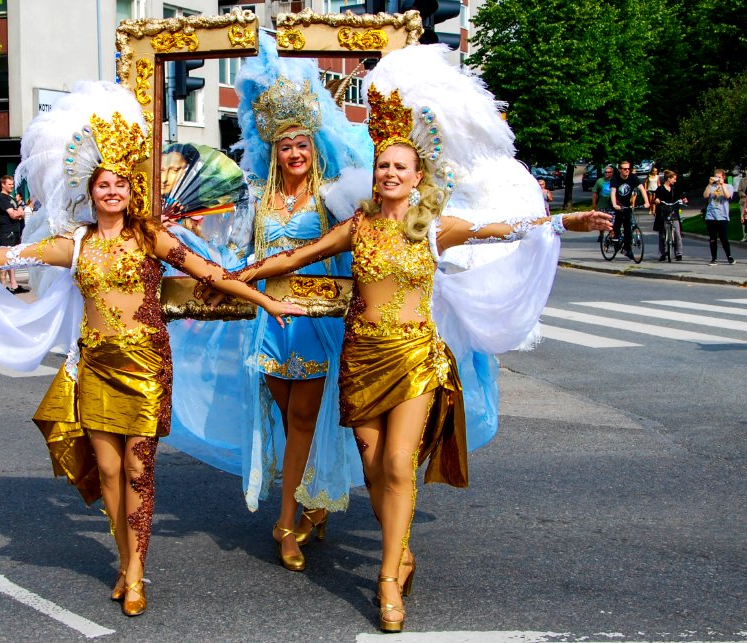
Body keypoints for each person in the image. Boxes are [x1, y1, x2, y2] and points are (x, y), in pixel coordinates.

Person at [228, 44, 612, 633]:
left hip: (412, 358)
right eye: (383, 165)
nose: (389, 174)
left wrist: (565, 221)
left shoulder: (432, 227)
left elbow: (497, 229)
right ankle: (399, 550)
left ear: (417, 177)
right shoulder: (358, 225)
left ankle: (386, 582)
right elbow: (301, 252)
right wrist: (242, 275)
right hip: (361, 357)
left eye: (400, 168)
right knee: (375, 465)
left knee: (401, 465)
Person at [0, 82, 304, 618]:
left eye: (121, 183)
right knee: (111, 472)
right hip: (96, 365)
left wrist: (265, 301)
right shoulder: (74, 243)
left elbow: (209, 272)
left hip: (146, 364)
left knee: (141, 471)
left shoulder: (151, 238)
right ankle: (125, 558)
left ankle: (137, 570)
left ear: (131, 191)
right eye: (104, 185)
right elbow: (11, 252)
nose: (113, 192)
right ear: (90, 192)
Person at [163, 33, 371, 573]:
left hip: (315, 321)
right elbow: (236, 254)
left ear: (313, 146)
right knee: (283, 420)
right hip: (267, 321)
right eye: (286, 145)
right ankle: (311, 502)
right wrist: (194, 253)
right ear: (273, 150)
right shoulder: (257, 197)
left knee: (303, 419)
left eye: (302, 143)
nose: (295, 153)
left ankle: (286, 523)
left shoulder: (333, 196)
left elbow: (357, 249)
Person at [0, 175, 28, 293]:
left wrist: (19, 213)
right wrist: (19, 213)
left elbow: (21, 213)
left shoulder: (11, 198)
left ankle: (14, 284)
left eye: (13, 184)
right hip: (7, 232)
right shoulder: (1, 198)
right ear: (3, 184)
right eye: (9, 184)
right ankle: (5, 286)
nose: (12, 186)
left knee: (13, 258)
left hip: (15, 230)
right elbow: (14, 214)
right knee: (7, 258)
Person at [610, 160, 650, 261]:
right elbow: (613, 192)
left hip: (627, 205)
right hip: (617, 204)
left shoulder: (633, 177)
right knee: (618, 222)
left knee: (628, 228)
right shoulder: (615, 178)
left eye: (629, 169)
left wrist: (647, 202)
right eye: (624, 169)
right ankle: (615, 239)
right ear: (620, 170)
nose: (627, 170)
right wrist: (614, 204)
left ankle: (627, 249)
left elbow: (642, 189)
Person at [703, 168, 735, 265]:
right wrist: (709, 184)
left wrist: (721, 185)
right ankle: (714, 258)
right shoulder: (711, 186)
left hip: (722, 216)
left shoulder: (729, 186)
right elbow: (705, 196)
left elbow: (727, 196)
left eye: (719, 177)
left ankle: (729, 256)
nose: (717, 179)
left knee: (723, 238)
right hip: (710, 215)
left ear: (723, 177)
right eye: (715, 177)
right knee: (712, 238)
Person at [653, 169, 687, 261]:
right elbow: (656, 198)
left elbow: (681, 195)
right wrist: (657, 201)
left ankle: (678, 253)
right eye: (674, 179)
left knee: (677, 233)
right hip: (663, 212)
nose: (675, 181)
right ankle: (662, 253)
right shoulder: (660, 189)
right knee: (662, 234)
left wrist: (684, 199)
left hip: (673, 211)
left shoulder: (675, 188)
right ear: (668, 179)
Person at [592, 165, 615, 241]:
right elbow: (595, 193)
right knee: (601, 222)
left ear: (612, 173)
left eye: (609, 172)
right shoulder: (600, 181)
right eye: (606, 172)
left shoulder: (615, 180)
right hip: (601, 204)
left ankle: (611, 234)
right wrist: (594, 204)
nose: (607, 173)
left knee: (612, 221)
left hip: (612, 205)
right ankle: (601, 234)